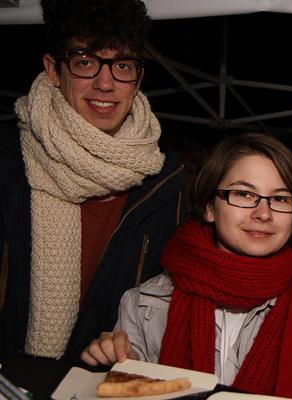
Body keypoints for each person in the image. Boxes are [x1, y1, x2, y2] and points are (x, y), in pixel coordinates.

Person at [0, 0, 187, 362]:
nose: (105, 83)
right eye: (85, 62)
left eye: (122, 65)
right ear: (54, 70)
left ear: (138, 79)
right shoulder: (8, 160)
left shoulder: (165, 180)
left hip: (106, 381)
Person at [81, 133, 292, 398]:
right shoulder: (144, 303)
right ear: (209, 207)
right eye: (243, 194)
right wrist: (124, 362)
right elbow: (128, 387)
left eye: (280, 199)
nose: (263, 213)